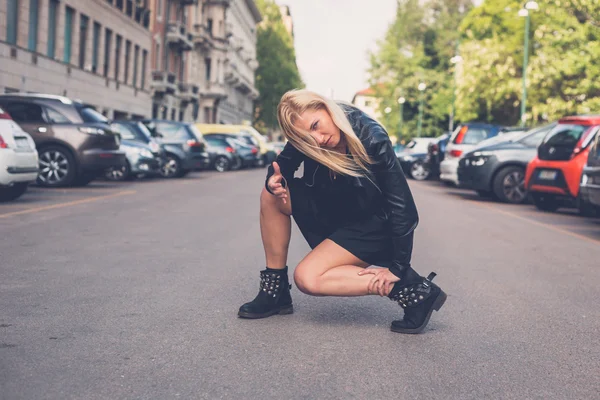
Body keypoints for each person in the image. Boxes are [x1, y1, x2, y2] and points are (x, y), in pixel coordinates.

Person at [238, 89, 446, 334]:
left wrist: (398, 268)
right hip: (334, 212)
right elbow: (281, 165)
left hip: (372, 226)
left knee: (307, 278)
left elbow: (404, 209)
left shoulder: (371, 138)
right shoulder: (306, 136)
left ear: (326, 108)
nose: (317, 139)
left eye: (317, 125)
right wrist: (273, 180)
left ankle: (411, 290)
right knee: (272, 196)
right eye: (306, 136)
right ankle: (275, 291)